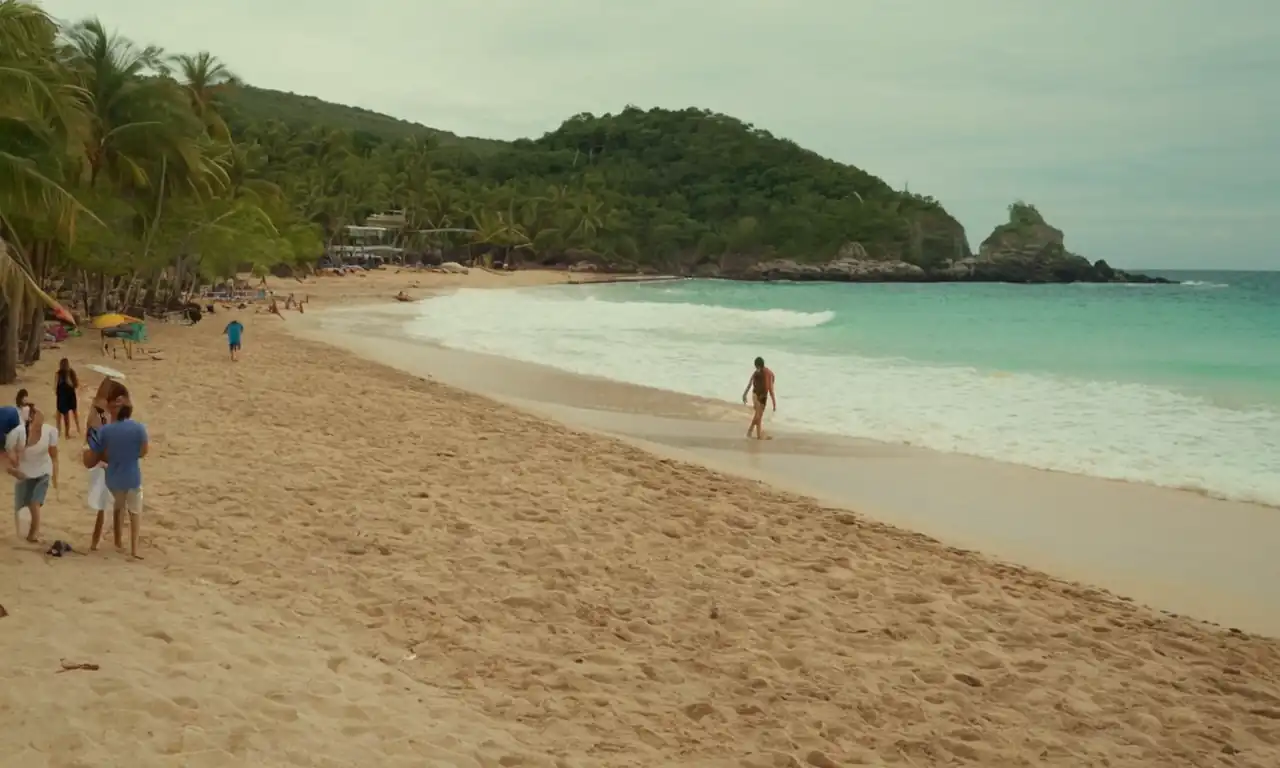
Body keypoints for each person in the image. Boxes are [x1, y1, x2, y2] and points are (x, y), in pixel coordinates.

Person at [83, 402, 147, 559]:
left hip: (113, 477)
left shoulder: (106, 430)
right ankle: (134, 549)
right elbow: (143, 451)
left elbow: (97, 452)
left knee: (114, 508)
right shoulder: (139, 428)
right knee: (135, 513)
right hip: (132, 476)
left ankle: (98, 542)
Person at [7, 404, 57, 542]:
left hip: (43, 472)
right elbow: (8, 456)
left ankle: (33, 533)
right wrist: (13, 469)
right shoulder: (17, 433)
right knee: (26, 504)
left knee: (34, 502)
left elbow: (54, 456)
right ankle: (30, 531)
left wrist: (55, 477)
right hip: (26, 474)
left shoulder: (49, 431)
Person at [741, 356, 777, 440]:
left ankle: (758, 435)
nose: (756, 369)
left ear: (759, 366)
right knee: (758, 414)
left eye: (757, 367)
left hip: (763, 396)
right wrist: (745, 394)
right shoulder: (757, 373)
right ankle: (752, 432)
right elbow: (750, 383)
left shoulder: (768, 374)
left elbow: (770, 389)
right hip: (756, 394)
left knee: (759, 416)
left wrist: (774, 403)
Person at [54, 358, 81, 437]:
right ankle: (63, 432)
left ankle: (71, 430)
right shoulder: (59, 374)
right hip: (64, 395)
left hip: (67, 395)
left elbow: (75, 385)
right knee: (64, 414)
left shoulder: (70, 373)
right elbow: (56, 386)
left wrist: (67, 378)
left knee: (69, 414)